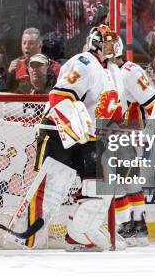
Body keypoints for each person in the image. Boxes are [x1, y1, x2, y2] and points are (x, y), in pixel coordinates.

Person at [34, 25, 123, 251]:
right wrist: (74, 129)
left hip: (91, 137)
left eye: (115, 42)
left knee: (102, 186)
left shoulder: (113, 70)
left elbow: (115, 109)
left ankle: (79, 234)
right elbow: (60, 96)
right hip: (62, 131)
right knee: (52, 188)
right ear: (96, 43)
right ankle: (29, 236)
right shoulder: (83, 62)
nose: (114, 46)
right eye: (108, 42)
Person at [111, 37, 155, 246]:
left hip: (125, 132)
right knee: (127, 181)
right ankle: (137, 229)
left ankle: (125, 227)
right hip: (111, 132)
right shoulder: (108, 72)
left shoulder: (129, 71)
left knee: (115, 181)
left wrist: (149, 132)